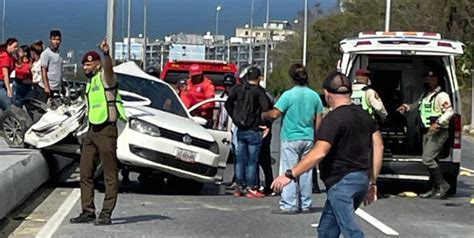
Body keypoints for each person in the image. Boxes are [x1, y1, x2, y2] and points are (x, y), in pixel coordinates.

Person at [272, 72, 383, 237]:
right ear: (350, 93)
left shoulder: (333, 119)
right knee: (327, 230)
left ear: (327, 94)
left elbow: (319, 152)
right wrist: (372, 182)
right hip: (360, 179)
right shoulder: (365, 116)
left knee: (352, 231)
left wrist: (290, 174)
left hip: (341, 183)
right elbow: (378, 146)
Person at [70, 38, 127, 226]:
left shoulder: (105, 77)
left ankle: (106, 213)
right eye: (83, 65)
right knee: (85, 172)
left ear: (97, 65)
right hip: (92, 130)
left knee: (110, 174)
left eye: (88, 64)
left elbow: (109, 69)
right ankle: (88, 211)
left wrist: (106, 55)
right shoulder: (90, 82)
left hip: (106, 130)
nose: (85, 68)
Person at [263, 63, 324, 214]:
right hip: (308, 137)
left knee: (289, 171)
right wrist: (316, 136)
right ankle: (305, 203)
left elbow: (275, 114)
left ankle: (289, 204)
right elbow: (319, 118)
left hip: (290, 137)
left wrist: (264, 115)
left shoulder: (288, 95)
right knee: (306, 171)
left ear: (292, 78)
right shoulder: (314, 96)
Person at [396, 70, 453, 199]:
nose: (428, 81)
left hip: (437, 131)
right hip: (427, 131)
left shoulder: (441, 95)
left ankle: (442, 184)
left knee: (427, 159)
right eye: (427, 78)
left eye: (431, 79)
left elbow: (449, 111)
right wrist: (406, 107)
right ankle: (433, 188)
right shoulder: (426, 95)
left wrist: (438, 123)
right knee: (433, 159)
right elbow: (416, 106)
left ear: (437, 80)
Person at [225, 66, 271, 198]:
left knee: (240, 159)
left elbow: (228, 104)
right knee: (252, 160)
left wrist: (235, 118)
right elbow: (266, 109)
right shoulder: (259, 92)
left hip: (240, 128)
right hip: (254, 129)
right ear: (258, 78)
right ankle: (252, 187)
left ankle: (239, 187)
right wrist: (266, 125)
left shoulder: (238, 89)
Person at [37, 29, 63, 102]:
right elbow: (43, 70)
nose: (56, 42)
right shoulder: (46, 53)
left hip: (56, 88)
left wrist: (62, 86)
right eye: (54, 39)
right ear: (50, 40)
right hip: (46, 88)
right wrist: (46, 87)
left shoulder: (59, 55)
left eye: (58, 39)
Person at [0, 38, 18, 111]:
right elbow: (5, 74)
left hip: (3, 83)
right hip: (1, 83)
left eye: (17, 47)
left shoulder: (11, 57)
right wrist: (8, 89)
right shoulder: (5, 57)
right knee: (8, 105)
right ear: (8, 46)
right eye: (14, 47)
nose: (16, 49)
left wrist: (18, 55)